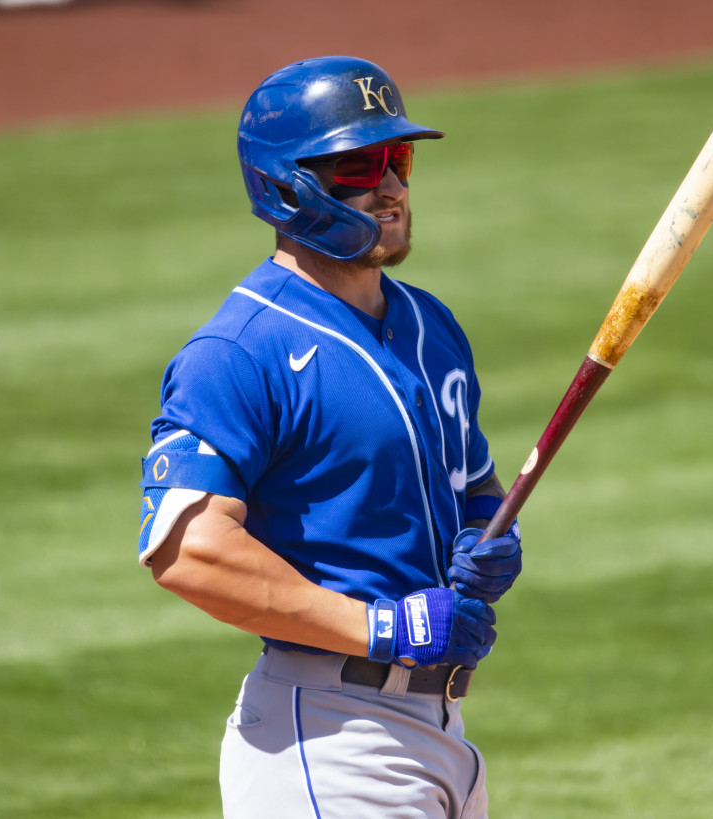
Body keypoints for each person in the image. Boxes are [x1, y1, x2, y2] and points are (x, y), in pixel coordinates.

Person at [137, 55, 523, 819]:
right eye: (358, 166)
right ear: (287, 184)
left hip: (442, 732)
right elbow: (187, 550)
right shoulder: (241, 350)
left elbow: (473, 482)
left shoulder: (431, 326)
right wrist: (384, 623)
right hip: (328, 739)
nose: (390, 186)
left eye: (398, 158)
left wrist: (489, 529)